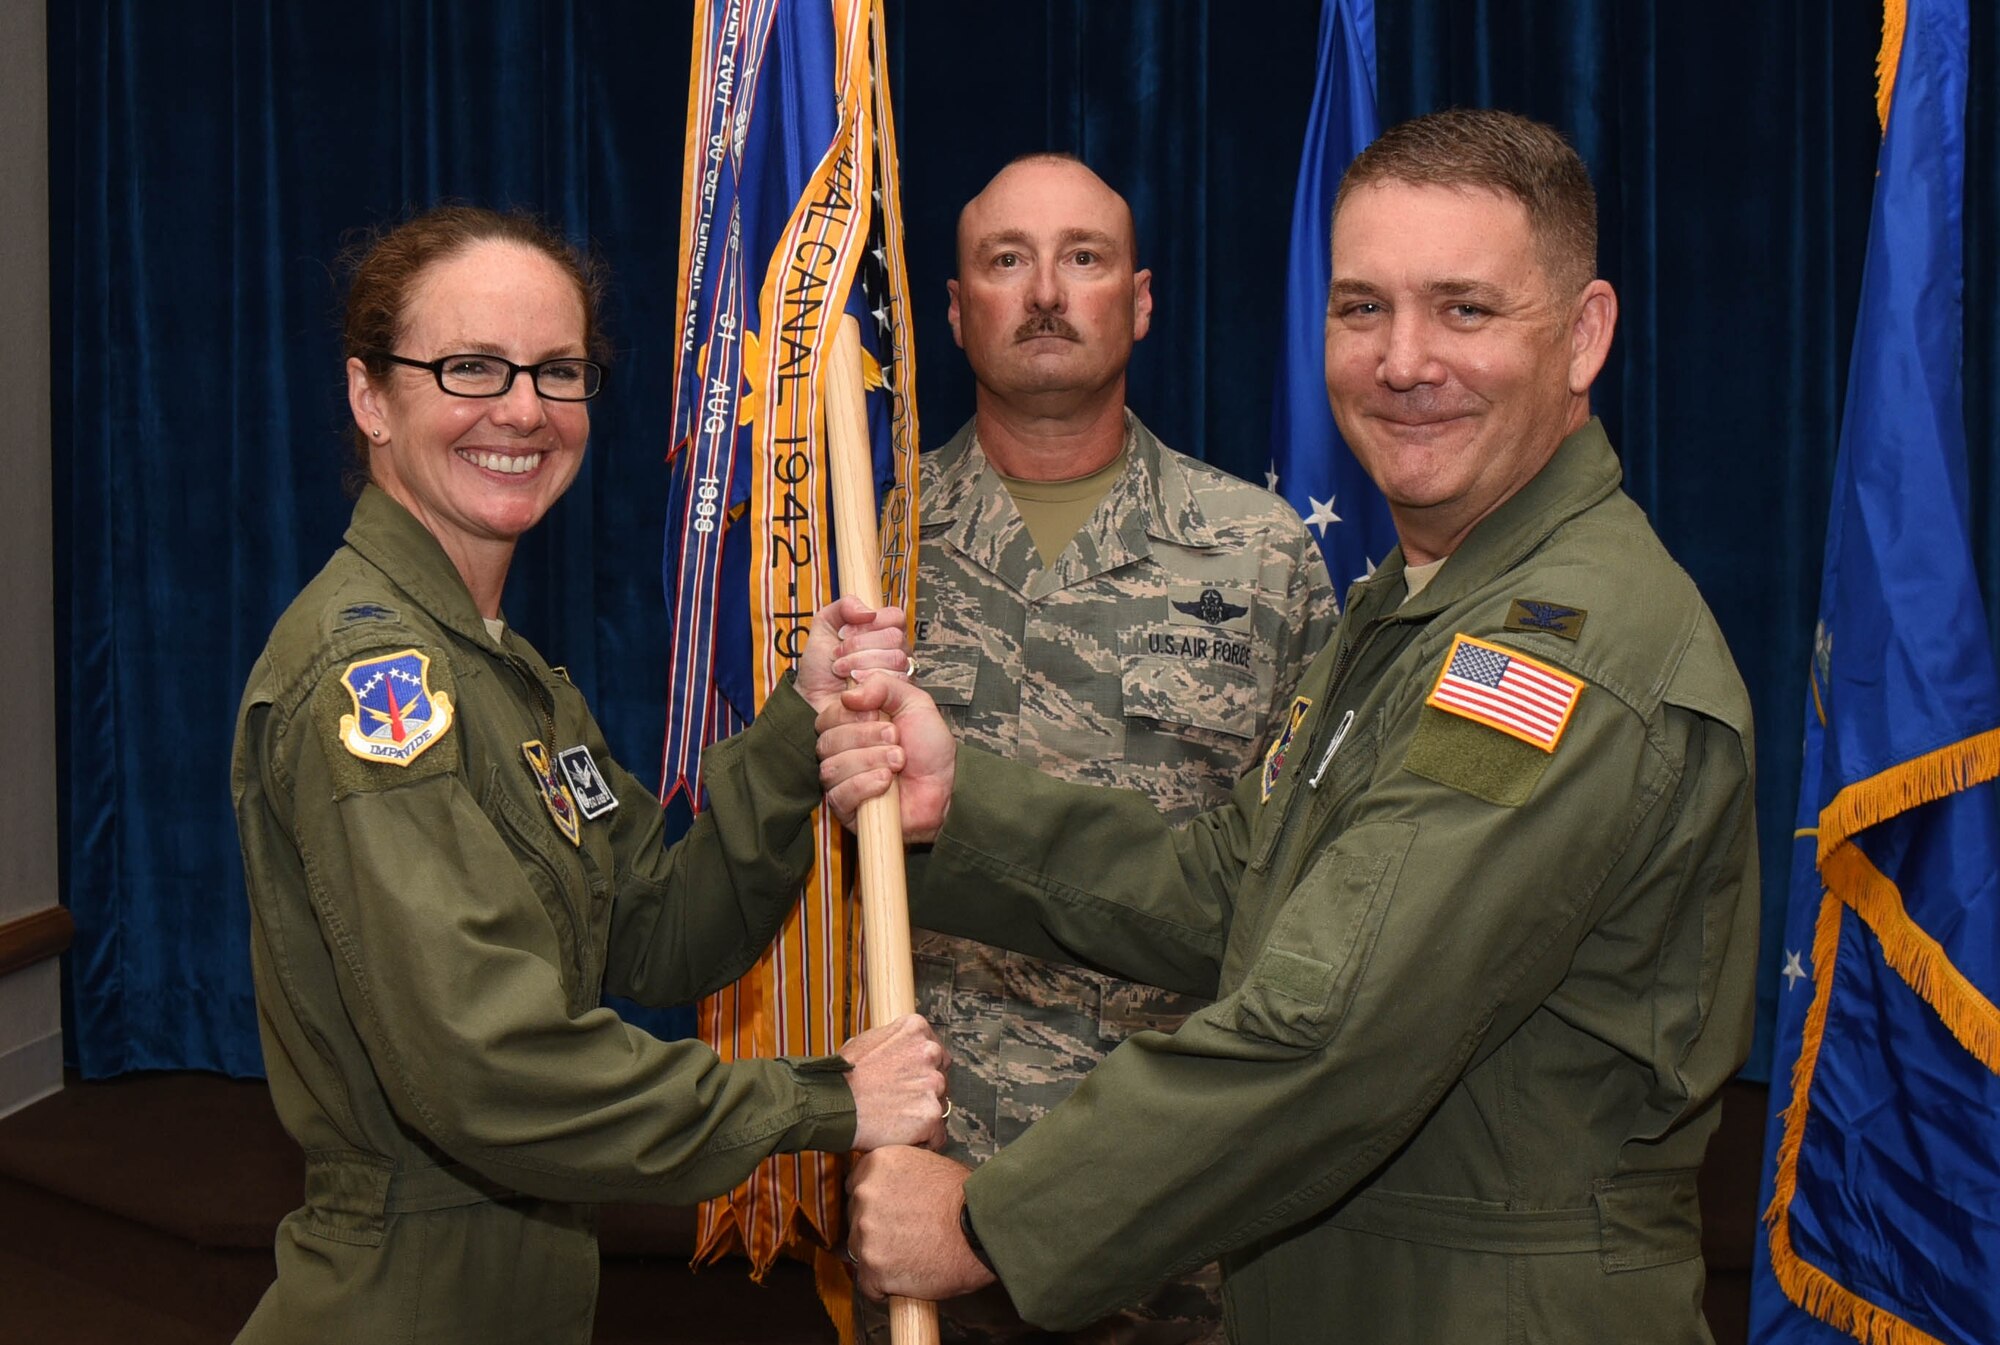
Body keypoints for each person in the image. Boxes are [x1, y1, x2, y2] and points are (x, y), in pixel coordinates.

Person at [823, 110, 1759, 1343]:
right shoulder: (1413, 606)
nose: (1402, 359)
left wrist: (990, 1223)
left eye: (1464, 309)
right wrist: (961, 807)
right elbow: (1233, 887)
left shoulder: (1556, 648)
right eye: (1360, 307)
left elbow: (1335, 1028)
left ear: (1581, 336)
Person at [230, 205, 949, 1345]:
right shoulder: (375, 682)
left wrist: (795, 726)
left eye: (556, 371)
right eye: (469, 367)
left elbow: (659, 935)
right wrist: (821, 1101)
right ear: (372, 396)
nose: (521, 409)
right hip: (407, 1298)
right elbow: (489, 1066)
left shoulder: (507, 672)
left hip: (525, 1282)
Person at [881, 153, 1336, 1344]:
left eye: (1081, 258)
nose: (1044, 291)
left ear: (1136, 300)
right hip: (926, 1195)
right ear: (953, 307)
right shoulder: (867, 552)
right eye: (1005, 260)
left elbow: (1301, 886)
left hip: (1176, 1209)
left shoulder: (1260, 554)